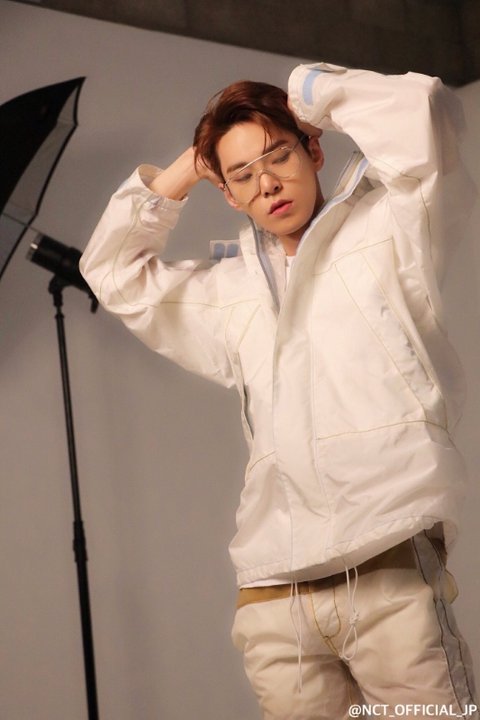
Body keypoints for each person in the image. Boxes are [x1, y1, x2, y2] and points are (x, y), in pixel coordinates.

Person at [80, 62, 478, 719]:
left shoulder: (391, 231)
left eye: (279, 156)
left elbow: (426, 113)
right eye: (242, 175)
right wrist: (190, 166)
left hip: (386, 565)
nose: (267, 183)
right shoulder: (229, 292)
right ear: (228, 195)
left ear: (313, 149)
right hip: (274, 594)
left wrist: (308, 92)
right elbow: (113, 273)